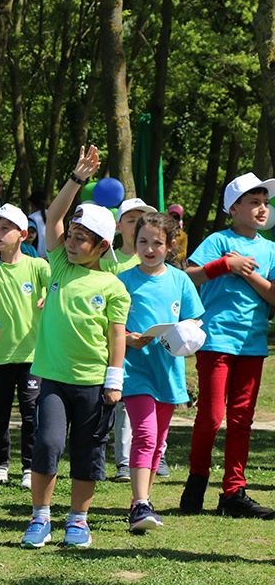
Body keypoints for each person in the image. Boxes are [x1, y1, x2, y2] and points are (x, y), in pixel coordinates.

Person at [20, 146, 130, 549]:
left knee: (87, 453)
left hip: (94, 383)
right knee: (47, 444)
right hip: (52, 378)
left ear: (102, 247)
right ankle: (40, 517)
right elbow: (53, 216)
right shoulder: (60, 265)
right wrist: (77, 179)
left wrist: (113, 380)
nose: (72, 242)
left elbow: (117, 336)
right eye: (72, 235)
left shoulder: (113, 286)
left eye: (83, 240)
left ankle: (79, 520)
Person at [180, 173, 275, 519]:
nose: (263, 208)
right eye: (254, 202)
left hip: (252, 344)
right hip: (216, 339)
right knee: (210, 416)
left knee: (242, 419)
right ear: (232, 208)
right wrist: (224, 265)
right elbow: (187, 276)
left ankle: (234, 492)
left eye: (265, 203)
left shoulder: (270, 250)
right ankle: (196, 482)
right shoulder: (218, 241)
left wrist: (245, 272)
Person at [117, 211, 204, 532]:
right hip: (134, 369)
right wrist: (131, 339)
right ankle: (140, 505)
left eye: (157, 243)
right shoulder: (123, 281)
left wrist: (185, 333)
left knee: (158, 441)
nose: (149, 248)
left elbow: (194, 320)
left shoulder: (180, 280)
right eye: (143, 241)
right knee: (145, 434)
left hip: (168, 371)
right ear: (134, 242)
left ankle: (144, 500)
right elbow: (110, 328)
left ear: (170, 246)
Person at [0, 204, 50, 491]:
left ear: (23, 234)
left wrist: (50, 297)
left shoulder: (37, 266)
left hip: (32, 356)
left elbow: (59, 286)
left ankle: (29, 466)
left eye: (4, 228)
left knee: (31, 413)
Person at [106, 198, 155, 482]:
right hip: (116, 342)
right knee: (120, 402)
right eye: (130, 219)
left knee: (151, 402)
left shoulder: (151, 257)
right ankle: (123, 459)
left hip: (150, 347)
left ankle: (151, 455)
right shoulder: (107, 261)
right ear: (117, 226)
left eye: (142, 219)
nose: (136, 225)